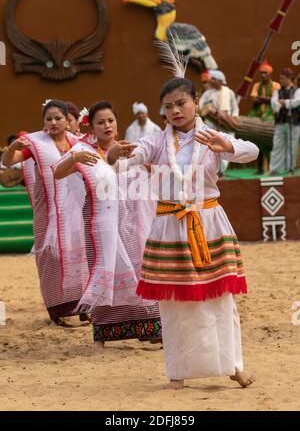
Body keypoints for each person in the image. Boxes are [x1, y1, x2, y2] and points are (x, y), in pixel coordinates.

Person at [108, 77, 258, 389]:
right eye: (168, 106)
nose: (175, 110)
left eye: (181, 103)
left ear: (195, 102)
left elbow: (252, 151)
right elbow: (126, 161)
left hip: (209, 222)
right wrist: (115, 154)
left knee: (221, 296)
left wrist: (226, 145)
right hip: (170, 227)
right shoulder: (156, 141)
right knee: (174, 302)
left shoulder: (209, 136)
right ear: (162, 111)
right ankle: (177, 373)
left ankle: (234, 365)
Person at [54, 101, 162, 348]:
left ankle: (151, 327)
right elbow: (58, 173)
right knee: (106, 276)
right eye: (100, 122)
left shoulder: (124, 149)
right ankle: (102, 335)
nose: (107, 126)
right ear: (91, 127)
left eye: (110, 121)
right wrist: (74, 159)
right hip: (100, 227)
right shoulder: (82, 150)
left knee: (138, 271)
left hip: (131, 224)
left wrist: (145, 170)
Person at [2, 100, 88, 326]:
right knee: (52, 258)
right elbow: (9, 161)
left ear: (68, 120)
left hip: (76, 210)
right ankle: (59, 311)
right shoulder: (36, 145)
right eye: (48, 119)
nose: (53, 122)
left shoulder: (78, 143)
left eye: (58, 118)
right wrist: (12, 148)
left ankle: (83, 307)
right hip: (49, 211)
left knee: (80, 255)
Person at [269, 68, 300, 175]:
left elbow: (297, 101)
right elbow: (273, 102)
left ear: (289, 78)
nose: (281, 80)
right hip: (280, 121)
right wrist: (281, 104)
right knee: (277, 144)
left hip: (293, 122)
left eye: (283, 78)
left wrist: (285, 102)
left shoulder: (297, 90)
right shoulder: (278, 91)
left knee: (292, 145)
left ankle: (290, 168)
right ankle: (274, 169)